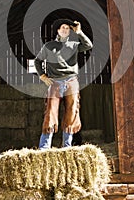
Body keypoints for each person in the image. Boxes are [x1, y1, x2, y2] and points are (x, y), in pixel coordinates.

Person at [34, 18, 93, 149]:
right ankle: (44, 147)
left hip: (71, 80)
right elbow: (37, 61)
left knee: (72, 112)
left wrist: (79, 32)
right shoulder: (49, 46)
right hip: (55, 82)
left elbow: (89, 45)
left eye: (67, 28)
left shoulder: (74, 44)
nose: (65, 30)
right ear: (58, 31)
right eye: (62, 28)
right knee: (51, 112)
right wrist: (42, 76)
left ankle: (67, 146)